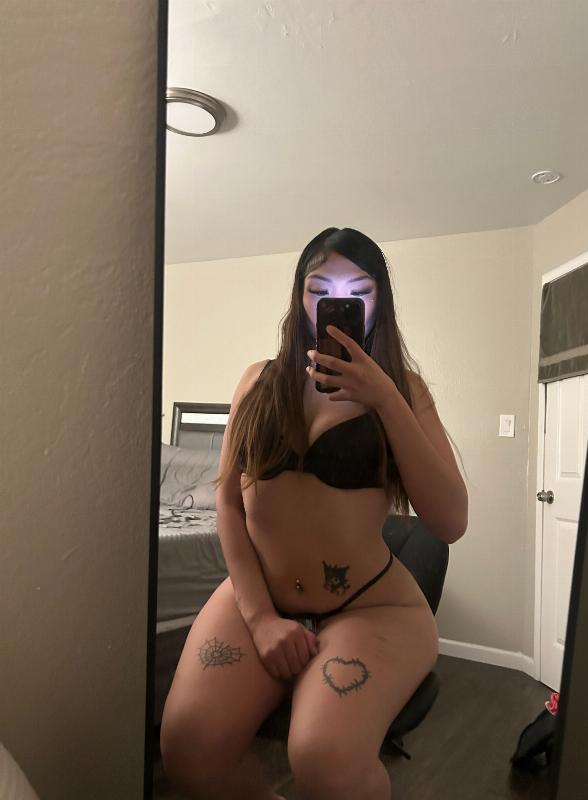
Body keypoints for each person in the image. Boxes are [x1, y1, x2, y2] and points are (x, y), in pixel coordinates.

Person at [160, 227, 469, 800]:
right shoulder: (258, 382)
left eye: (359, 291)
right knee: (187, 747)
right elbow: (228, 503)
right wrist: (260, 619)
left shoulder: (404, 391)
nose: (338, 302)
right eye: (320, 288)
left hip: (371, 607)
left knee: (324, 759)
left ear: (380, 302)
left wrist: (385, 399)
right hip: (261, 595)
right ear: (300, 297)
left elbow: (450, 521)